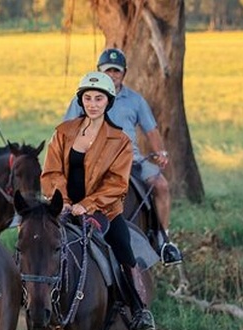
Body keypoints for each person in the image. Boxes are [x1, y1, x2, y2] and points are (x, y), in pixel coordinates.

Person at [42, 72, 155, 330]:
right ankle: (32, 299)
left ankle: (138, 309)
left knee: (123, 249)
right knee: (37, 243)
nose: (93, 104)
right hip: (65, 209)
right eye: (88, 98)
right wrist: (66, 202)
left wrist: (88, 205)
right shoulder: (63, 132)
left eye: (99, 99)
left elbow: (117, 183)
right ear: (82, 101)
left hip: (104, 211)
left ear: (108, 102)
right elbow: (52, 171)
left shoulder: (120, 141)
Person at [64, 48, 183, 266]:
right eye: (108, 70)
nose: (112, 75)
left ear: (124, 74)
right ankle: (63, 232)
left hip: (133, 161)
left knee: (161, 186)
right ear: (99, 71)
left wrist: (161, 152)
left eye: (116, 71)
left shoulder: (135, 101)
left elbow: (151, 130)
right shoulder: (83, 99)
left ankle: (163, 240)